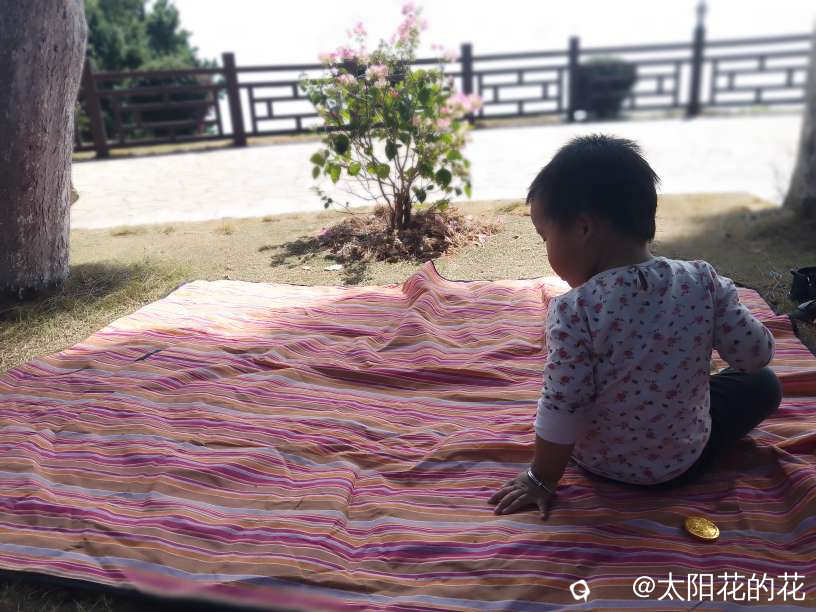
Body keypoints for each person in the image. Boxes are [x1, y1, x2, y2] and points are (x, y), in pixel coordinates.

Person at [489, 135, 782, 519]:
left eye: (545, 236)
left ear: (583, 228)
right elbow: (756, 356)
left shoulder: (574, 311)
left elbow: (561, 406)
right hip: (682, 463)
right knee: (764, 384)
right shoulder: (702, 282)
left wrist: (541, 479)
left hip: (600, 463)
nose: (547, 249)